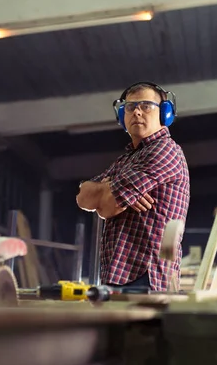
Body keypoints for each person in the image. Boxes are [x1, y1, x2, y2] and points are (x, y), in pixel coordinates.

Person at [76, 82, 190, 291]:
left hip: (146, 276)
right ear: (122, 115)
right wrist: (112, 187)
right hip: (121, 275)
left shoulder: (164, 150)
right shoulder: (127, 159)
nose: (137, 111)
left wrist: (107, 190)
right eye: (130, 107)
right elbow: (83, 198)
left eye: (146, 106)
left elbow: (108, 206)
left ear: (165, 114)